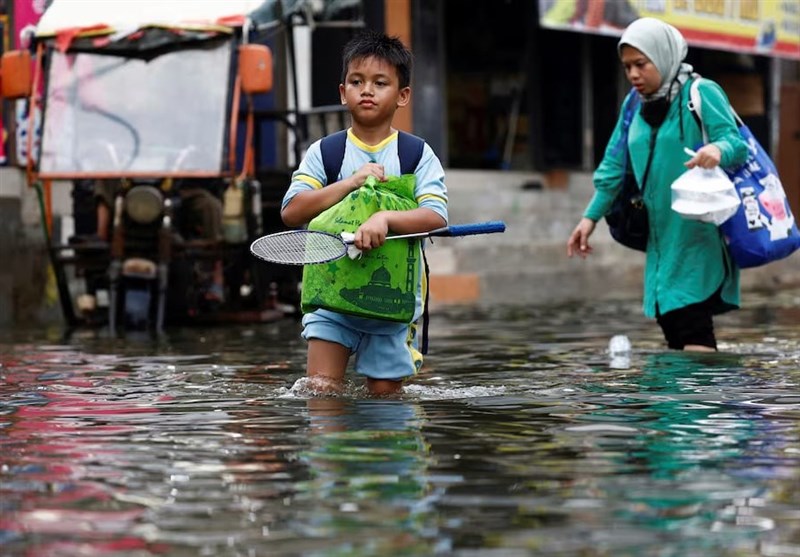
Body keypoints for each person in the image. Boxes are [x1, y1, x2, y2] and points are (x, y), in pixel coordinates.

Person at [281, 30, 448, 396]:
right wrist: (349, 183)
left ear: (402, 95)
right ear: (343, 93)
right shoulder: (325, 153)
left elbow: (435, 216)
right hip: (330, 299)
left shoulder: (416, 155)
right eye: (357, 82)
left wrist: (385, 219)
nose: (367, 90)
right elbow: (293, 212)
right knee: (321, 394)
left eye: (380, 82)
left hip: (390, 305)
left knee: (386, 401)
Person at [566, 17, 748, 352]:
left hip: (699, 233)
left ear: (663, 57)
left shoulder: (701, 93)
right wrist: (589, 219)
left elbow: (737, 145)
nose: (633, 74)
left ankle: (701, 400)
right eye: (627, 67)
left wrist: (716, 149)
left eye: (641, 64)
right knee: (673, 326)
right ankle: (682, 400)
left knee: (690, 323)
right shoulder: (634, 105)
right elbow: (613, 166)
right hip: (660, 237)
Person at [94, 178, 225, 303]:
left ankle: (215, 277)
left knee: (211, 206)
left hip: (173, 184)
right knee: (105, 178)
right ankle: (101, 235)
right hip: (130, 184)